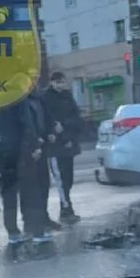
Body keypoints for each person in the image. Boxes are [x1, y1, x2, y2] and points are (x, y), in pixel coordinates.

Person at [0, 86, 53, 252]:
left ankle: (13, 233)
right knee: (30, 192)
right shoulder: (18, 98)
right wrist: (34, 146)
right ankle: (36, 232)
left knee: (9, 194)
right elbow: (26, 124)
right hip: (22, 152)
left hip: (3, 153)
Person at [43, 71, 82, 224]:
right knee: (60, 180)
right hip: (55, 146)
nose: (60, 84)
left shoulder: (68, 96)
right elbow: (46, 118)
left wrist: (66, 129)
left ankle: (65, 206)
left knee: (68, 178)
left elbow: (76, 117)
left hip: (68, 142)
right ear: (52, 83)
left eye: (62, 82)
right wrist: (53, 128)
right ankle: (66, 209)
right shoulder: (46, 98)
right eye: (57, 82)